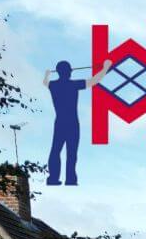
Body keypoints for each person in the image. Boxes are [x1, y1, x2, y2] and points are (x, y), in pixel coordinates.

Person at [44, 58, 112, 186]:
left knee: (55, 150)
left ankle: (53, 178)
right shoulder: (73, 85)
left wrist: (47, 74)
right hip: (72, 123)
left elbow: (45, 82)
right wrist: (106, 68)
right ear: (68, 72)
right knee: (71, 152)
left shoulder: (53, 85)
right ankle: (70, 179)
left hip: (59, 122)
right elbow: (94, 81)